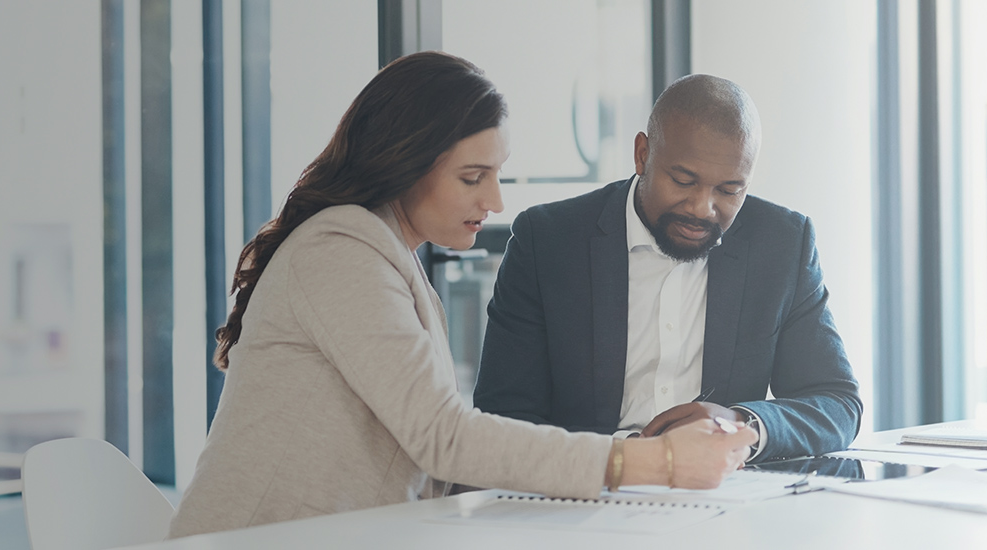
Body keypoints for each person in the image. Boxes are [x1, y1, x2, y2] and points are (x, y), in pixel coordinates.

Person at [166, 53, 757, 539]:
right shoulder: (339, 252)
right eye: (473, 178)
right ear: (405, 163)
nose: (494, 201)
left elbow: (439, 456)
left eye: (497, 175)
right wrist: (656, 463)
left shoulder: (389, 261)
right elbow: (444, 438)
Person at [473, 74, 862, 463]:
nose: (702, 208)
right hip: (586, 485)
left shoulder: (781, 244)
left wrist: (741, 424)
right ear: (642, 154)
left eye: (729, 190)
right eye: (683, 181)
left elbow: (837, 403)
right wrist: (632, 458)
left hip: (727, 492)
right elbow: (503, 416)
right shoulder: (548, 241)